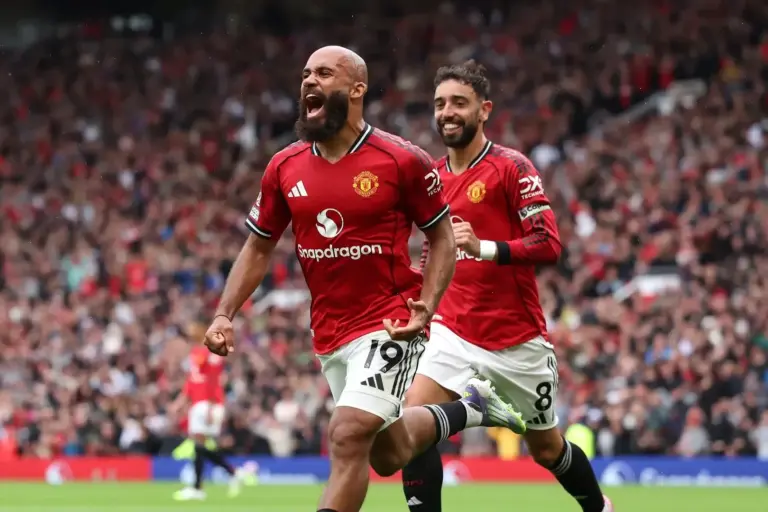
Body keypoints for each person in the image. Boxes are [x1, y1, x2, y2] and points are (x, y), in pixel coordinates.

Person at [202, 46, 526, 512]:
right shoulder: (284, 166)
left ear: (357, 89)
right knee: (388, 454)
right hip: (330, 331)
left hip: (390, 322)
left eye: (324, 73)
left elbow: (441, 237)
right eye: (306, 73)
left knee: (347, 432)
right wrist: (224, 314)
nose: (309, 81)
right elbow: (258, 246)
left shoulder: (400, 160)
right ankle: (472, 408)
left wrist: (427, 307)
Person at [401, 61, 614, 512]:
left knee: (547, 450)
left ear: (484, 110)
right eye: (440, 103)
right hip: (452, 331)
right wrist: (422, 305)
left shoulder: (511, 167)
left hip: (516, 341)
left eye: (459, 102)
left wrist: (481, 247)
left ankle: (599, 507)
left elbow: (548, 244)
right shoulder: (431, 178)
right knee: (411, 425)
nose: (447, 112)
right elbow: (431, 253)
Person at [172, 323, 254, 501]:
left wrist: (209, 406)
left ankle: (209, 482)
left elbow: (212, 381)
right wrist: (181, 401)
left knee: (199, 446)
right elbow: (193, 381)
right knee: (199, 446)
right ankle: (224, 476)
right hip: (201, 403)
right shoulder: (196, 354)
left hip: (207, 404)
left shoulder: (209, 354)